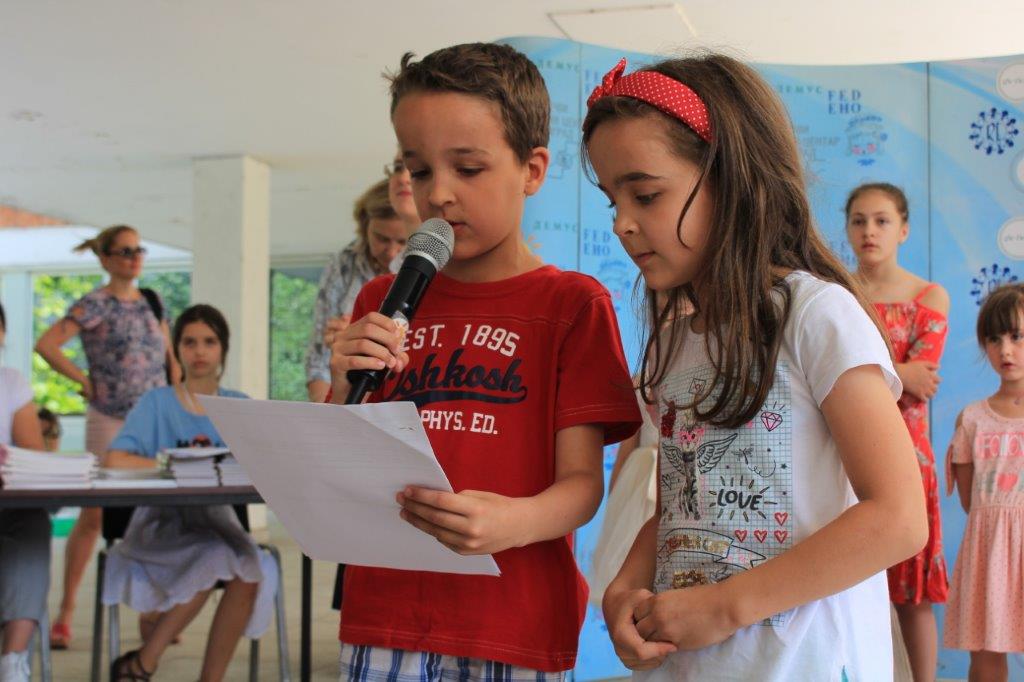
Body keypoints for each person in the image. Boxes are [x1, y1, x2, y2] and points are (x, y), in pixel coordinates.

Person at [583, 54, 927, 679]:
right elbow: (682, 502)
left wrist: (725, 606)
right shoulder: (671, 344)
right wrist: (625, 586)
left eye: (646, 194)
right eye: (612, 201)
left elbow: (898, 519)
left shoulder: (816, 315)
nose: (623, 224)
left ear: (731, 179)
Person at [328, 42, 642, 678]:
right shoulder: (379, 302)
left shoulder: (572, 305)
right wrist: (343, 384)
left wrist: (514, 520)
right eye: (418, 171)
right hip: (387, 611)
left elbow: (582, 485)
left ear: (532, 169)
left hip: (514, 620)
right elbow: (339, 468)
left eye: (468, 168)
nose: (438, 194)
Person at [101, 304, 275, 682]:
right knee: (220, 557)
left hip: (218, 524)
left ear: (223, 348)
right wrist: (172, 467)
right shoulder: (156, 403)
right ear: (177, 349)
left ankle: (168, 668)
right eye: (190, 342)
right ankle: (145, 662)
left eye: (209, 342)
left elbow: (268, 465)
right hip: (160, 525)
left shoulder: (239, 406)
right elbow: (115, 459)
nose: (199, 351)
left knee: (250, 565)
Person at [34, 225, 180, 648]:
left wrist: (176, 401)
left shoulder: (153, 300)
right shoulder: (94, 303)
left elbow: (170, 358)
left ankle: (153, 612)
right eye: (124, 251)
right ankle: (65, 613)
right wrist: (83, 380)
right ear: (104, 258)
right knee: (95, 513)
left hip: (153, 418)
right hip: (109, 417)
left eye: (139, 250)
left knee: (157, 511)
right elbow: (47, 344)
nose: (134, 258)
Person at [845, 182, 950, 681]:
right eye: (859, 220)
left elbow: (922, 381)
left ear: (903, 229)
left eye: (882, 220)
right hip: (845, 457)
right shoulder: (834, 293)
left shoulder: (929, 295)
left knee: (912, 595)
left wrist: (868, 375)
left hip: (909, 458)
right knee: (847, 587)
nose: (870, 231)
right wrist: (897, 374)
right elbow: (827, 376)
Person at [945, 283, 1024, 682]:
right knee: (987, 657)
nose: (1005, 350)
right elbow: (969, 499)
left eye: (1017, 336)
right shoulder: (972, 419)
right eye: (994, 339)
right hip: (989, 552)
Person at [306, 173, 419, 403]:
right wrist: (327, 410)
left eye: (402, 242)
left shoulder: (422, 270)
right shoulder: (343, 265)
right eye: (381, 238)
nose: (392, 252)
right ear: (364, 226)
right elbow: (319, 359)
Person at [0, 301, 50, 682]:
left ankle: (13, 662)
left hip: (8, 504)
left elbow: (34, 455)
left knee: (34, 526)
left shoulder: (12, 383)